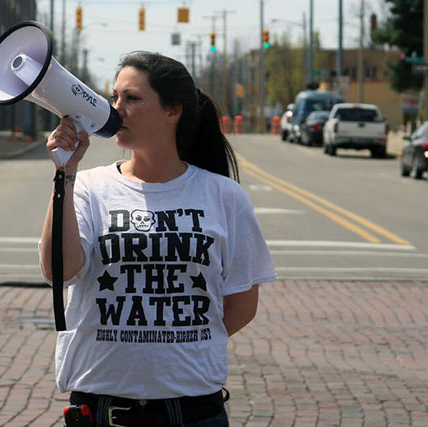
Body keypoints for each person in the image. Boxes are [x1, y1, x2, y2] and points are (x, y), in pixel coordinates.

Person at [39, 51, 277, 427]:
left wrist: (174, 344)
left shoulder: (224, 196)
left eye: (132, 99)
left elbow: (242, 304)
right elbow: (60, 272)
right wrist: (65, 174)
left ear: (173, 111)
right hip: (102, 411)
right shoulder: (87, 187)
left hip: (193, 413)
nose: (117, 109)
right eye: (114, 97)